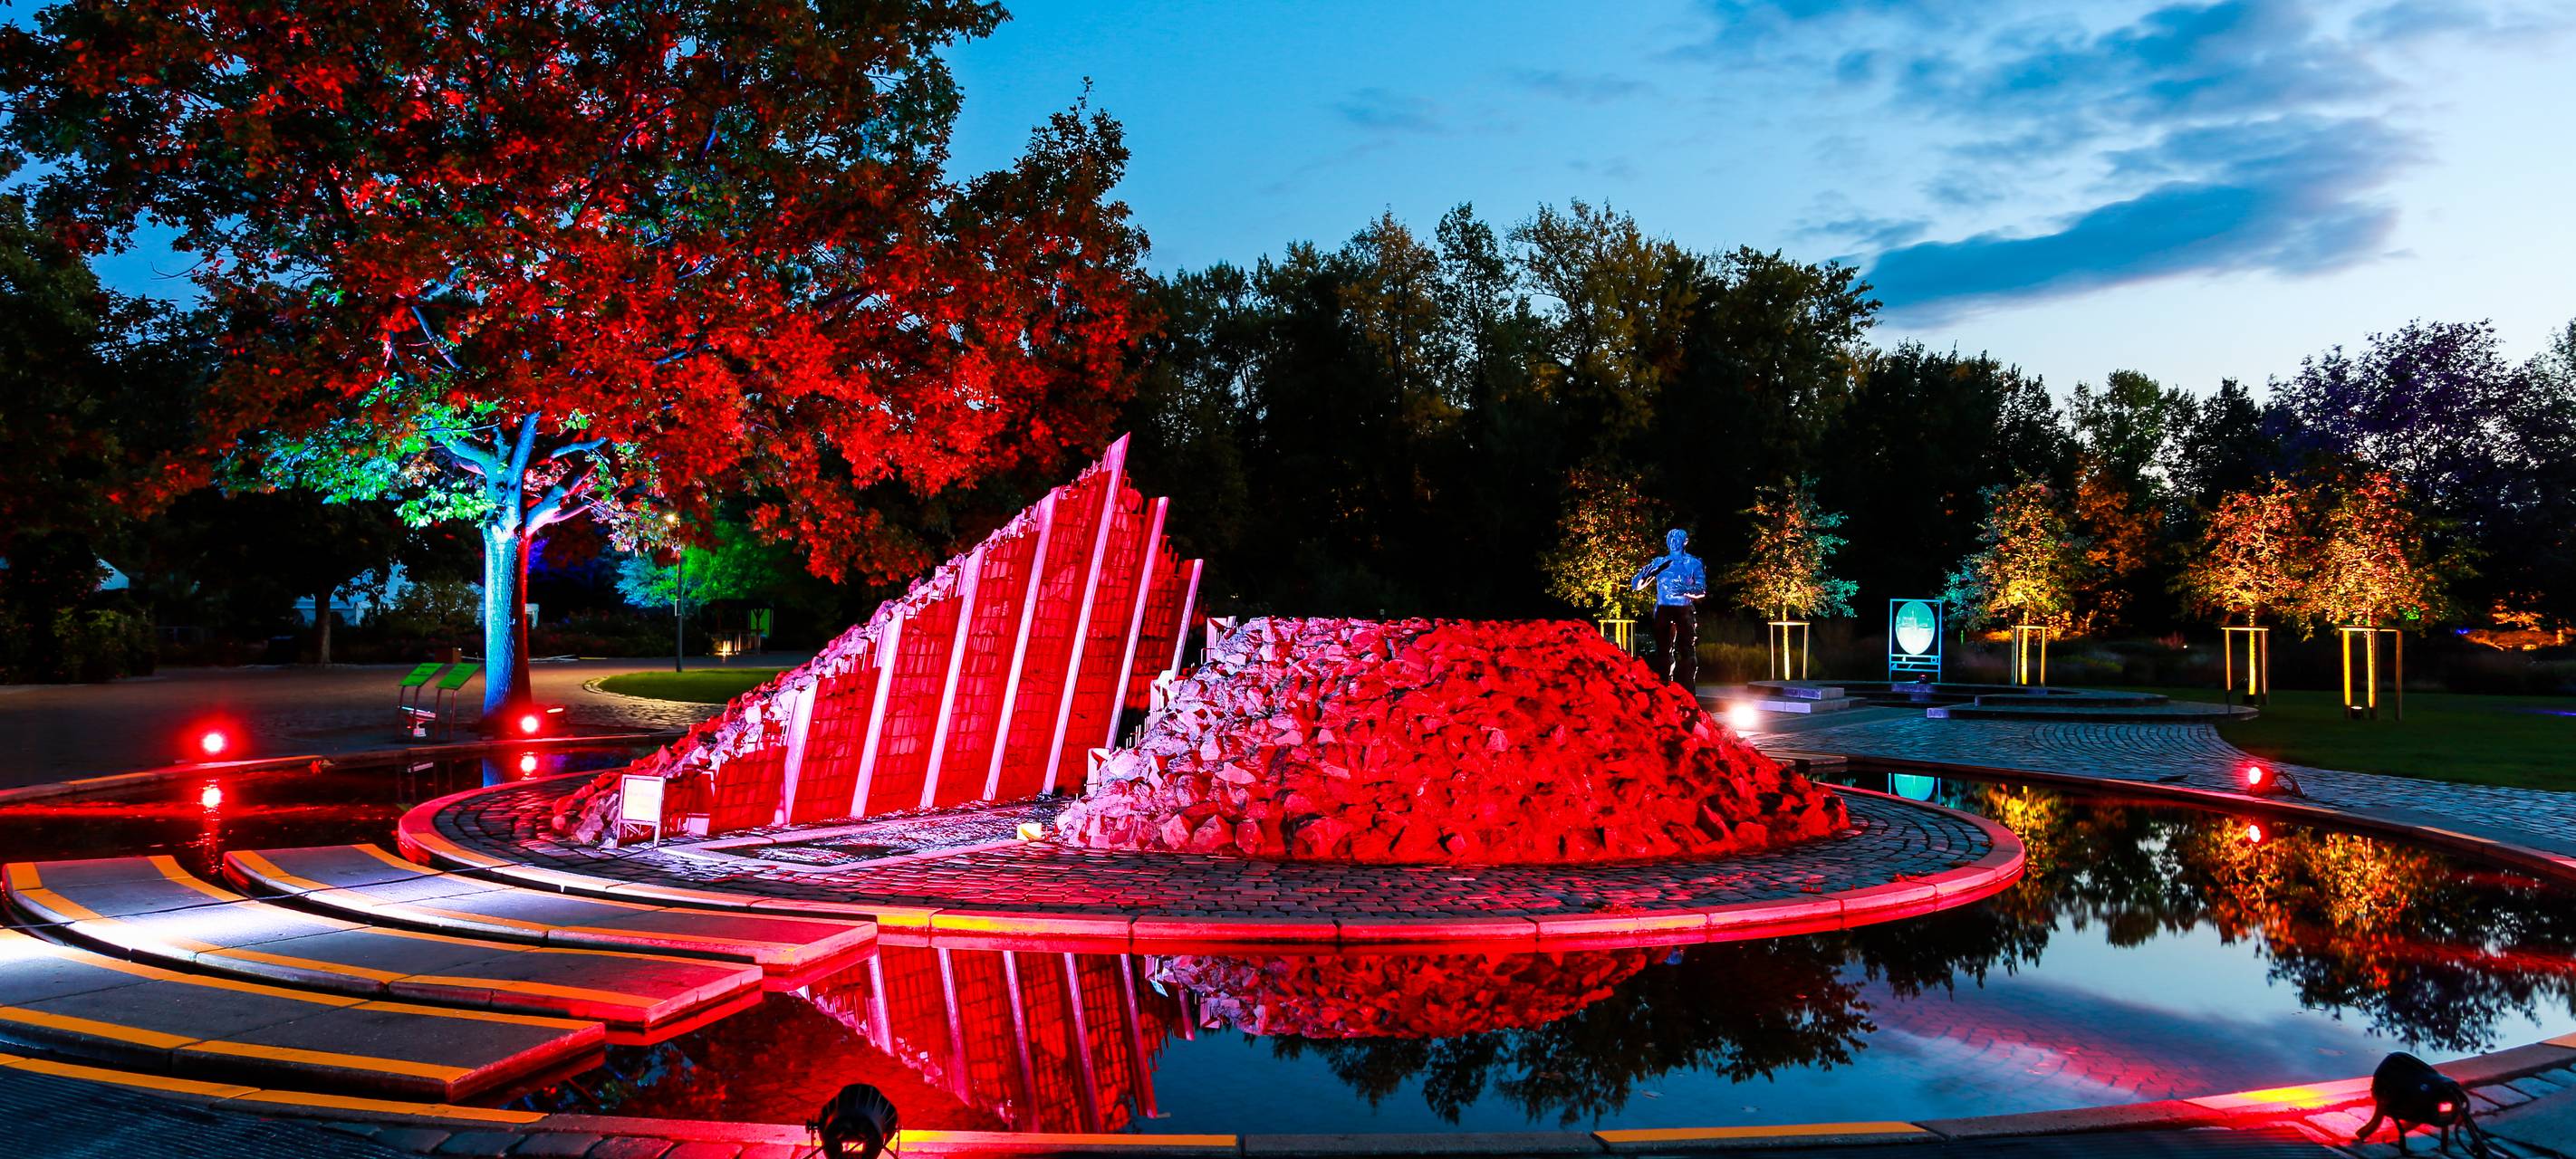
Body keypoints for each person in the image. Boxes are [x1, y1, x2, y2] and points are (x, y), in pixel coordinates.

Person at [1629, 527, 1706, 688]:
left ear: (1685, 542)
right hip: (1663, 610)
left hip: (1683, 609)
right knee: (1663, 652)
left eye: (1677, 539)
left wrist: (1686, 590)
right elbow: (1636, 585)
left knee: (1687, 651)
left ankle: (1688, 691)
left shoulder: (1693, 562)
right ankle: (1665, 688)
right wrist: (1644, 575)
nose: (1673, 542)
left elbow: (1701, 589)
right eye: (1670, 539)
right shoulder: (1660, 562)